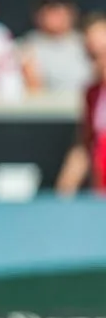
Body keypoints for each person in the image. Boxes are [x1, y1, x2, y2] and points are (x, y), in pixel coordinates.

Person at [56, 14, 106, 196]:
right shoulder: (92, 93)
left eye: (103, 52)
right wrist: (63, 192)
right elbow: (85, 146)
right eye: (92, 56)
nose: (100, 62)